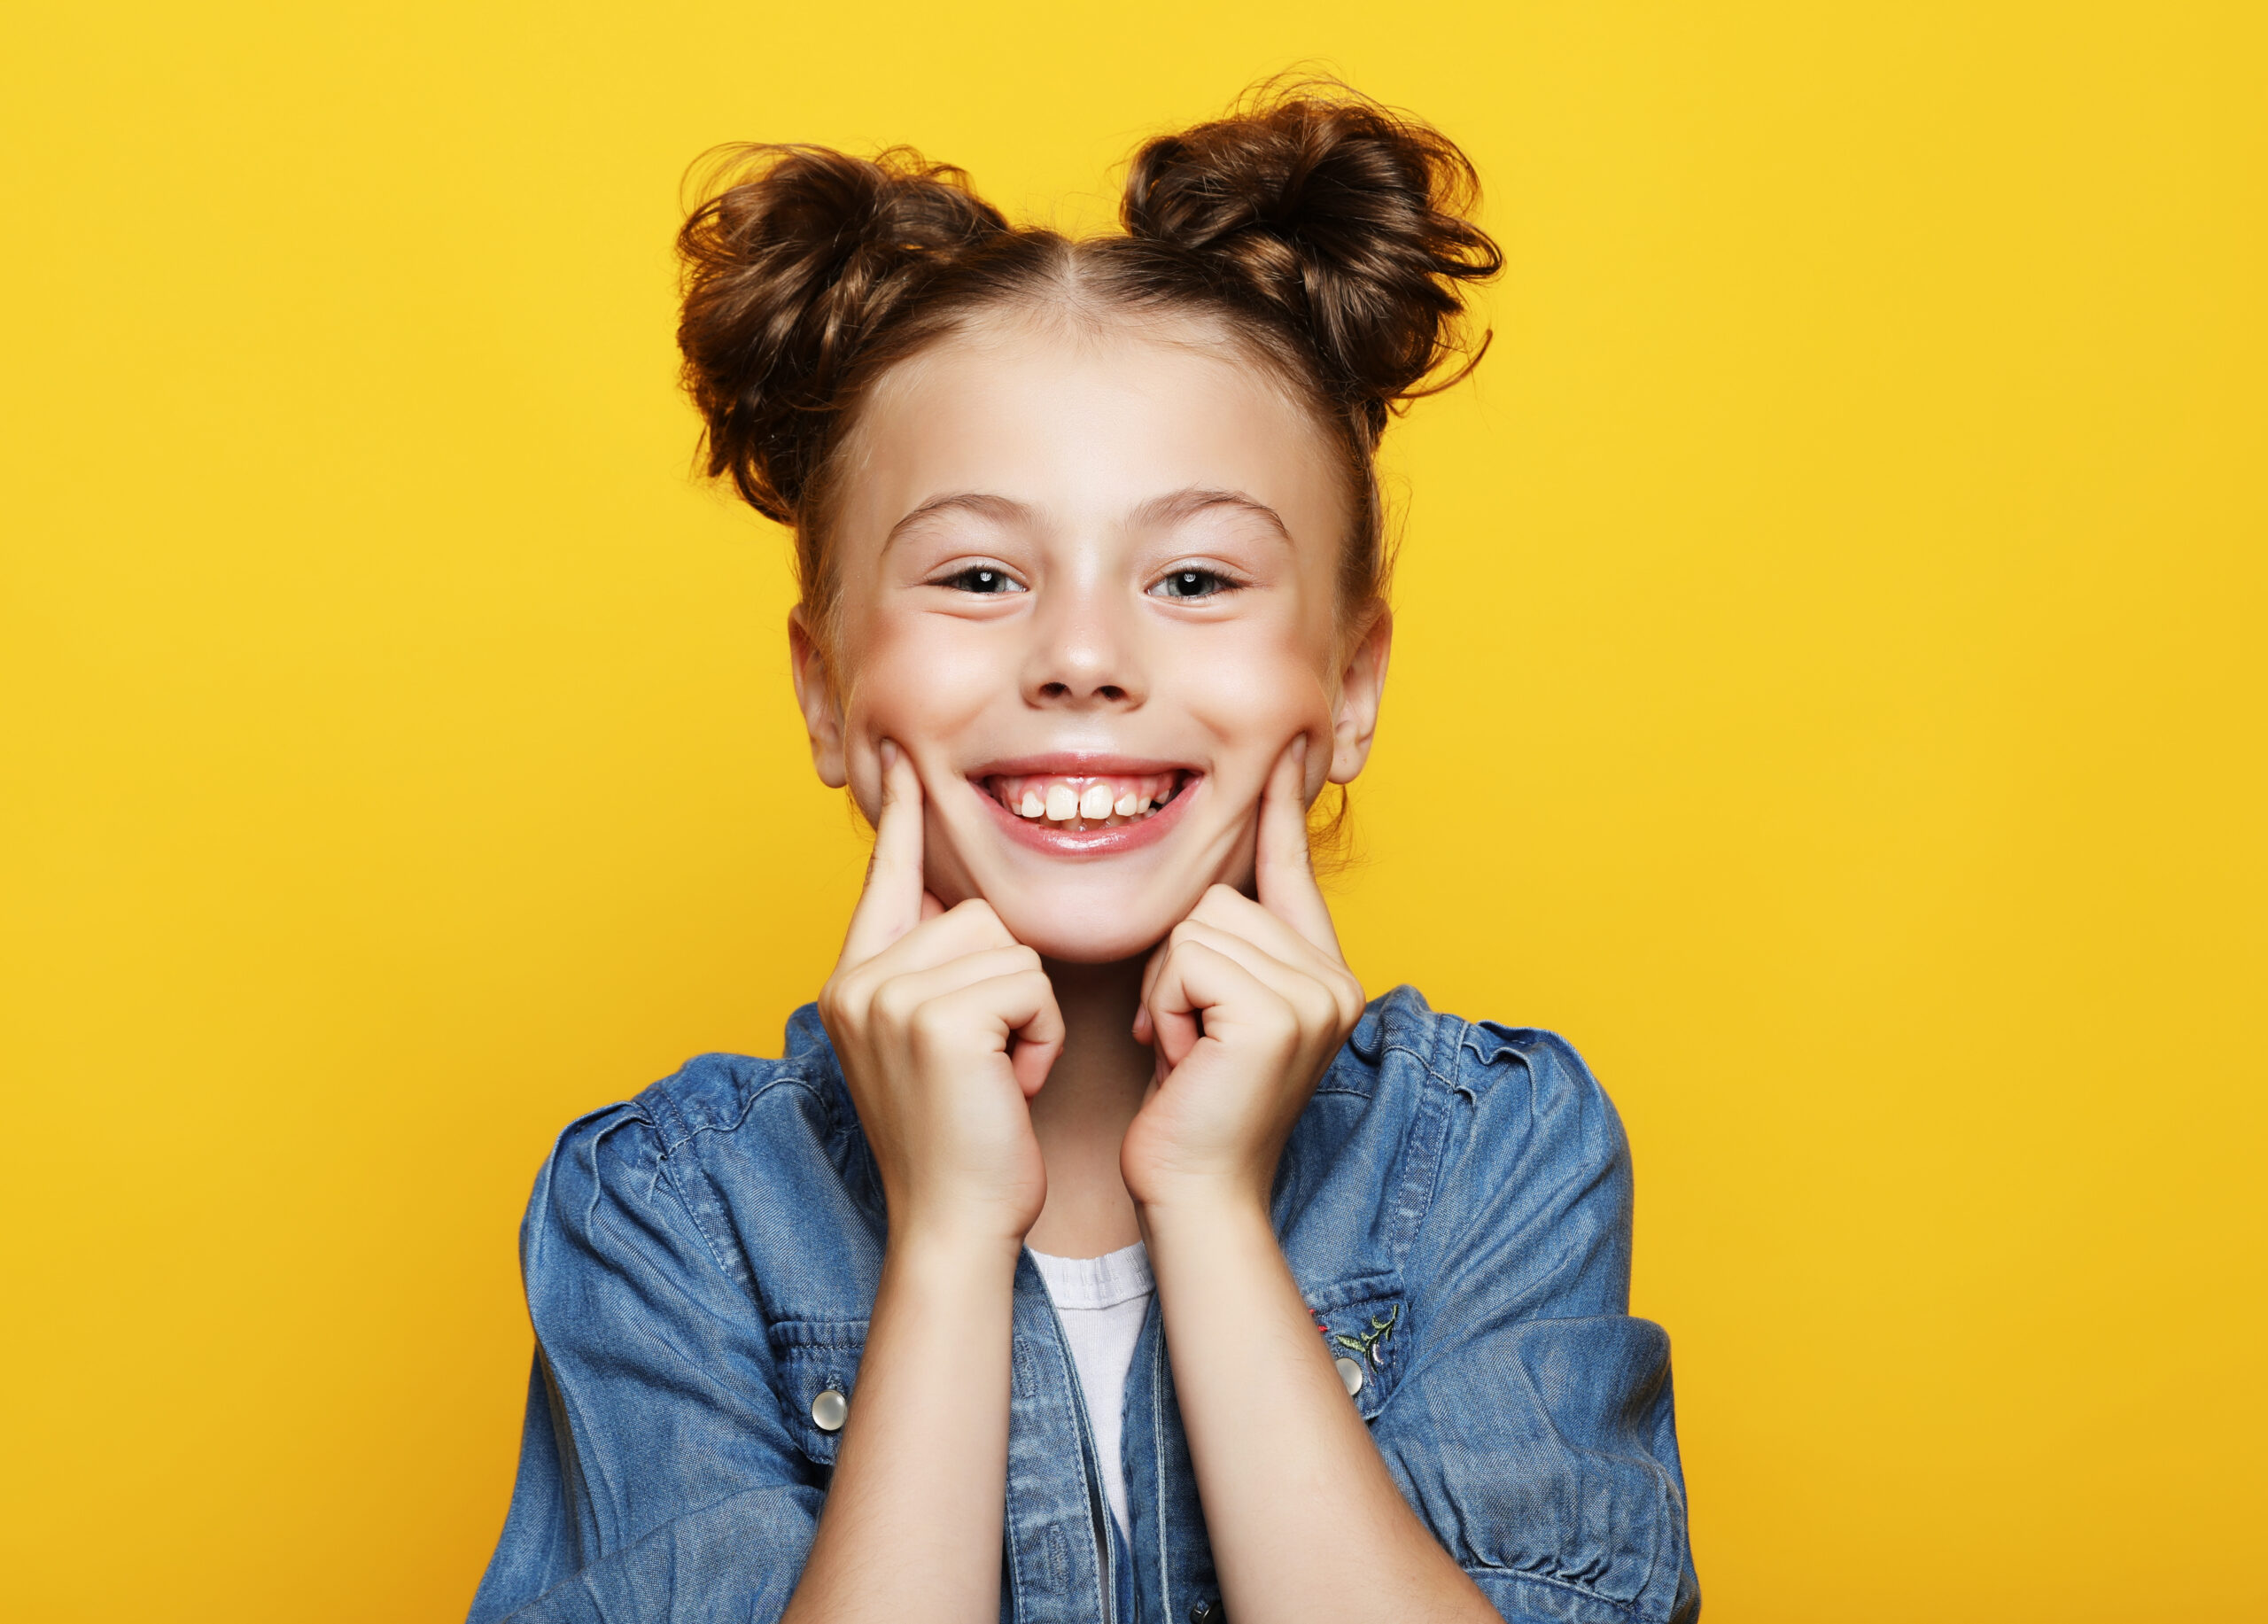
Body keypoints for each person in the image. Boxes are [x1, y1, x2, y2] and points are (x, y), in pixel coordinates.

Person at [468, 81, 1699, 1624]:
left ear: (1351, 683)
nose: (1084, 658)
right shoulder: (667, 1210)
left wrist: (1213, 1204)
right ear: (827, 691)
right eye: (982, 575)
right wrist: (942, 1237)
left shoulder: (1495, 1156)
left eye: (1195, 577)